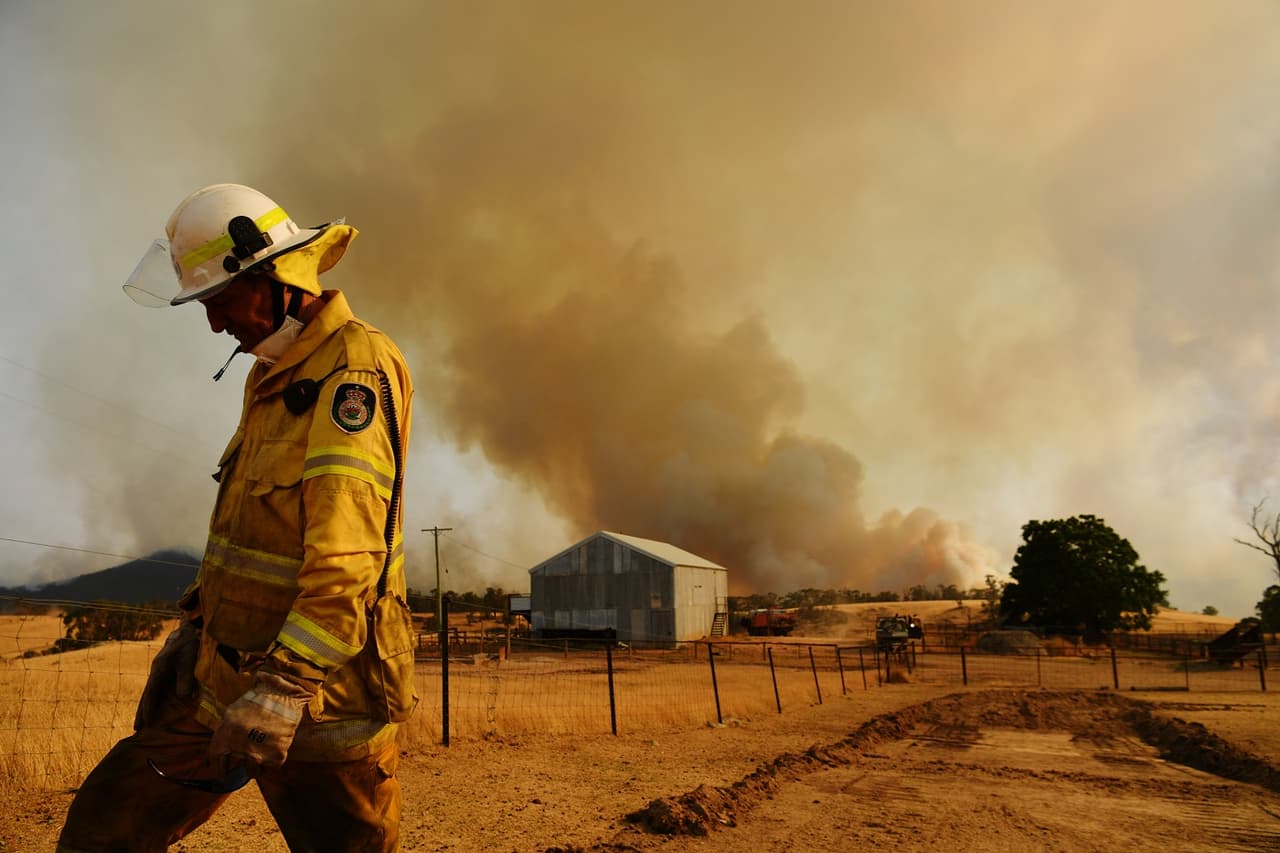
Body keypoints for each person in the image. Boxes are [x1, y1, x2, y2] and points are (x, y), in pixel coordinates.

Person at [58, 184, 417, 852]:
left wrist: (283, 686)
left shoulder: (353, 373)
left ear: (274, 275)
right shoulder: (272, 373)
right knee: (104, 827)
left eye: (218, 300)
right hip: (220, 688)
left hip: (318, 706)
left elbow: (347, 560)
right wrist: (196, 631)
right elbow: (251, 536)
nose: (215, 325)